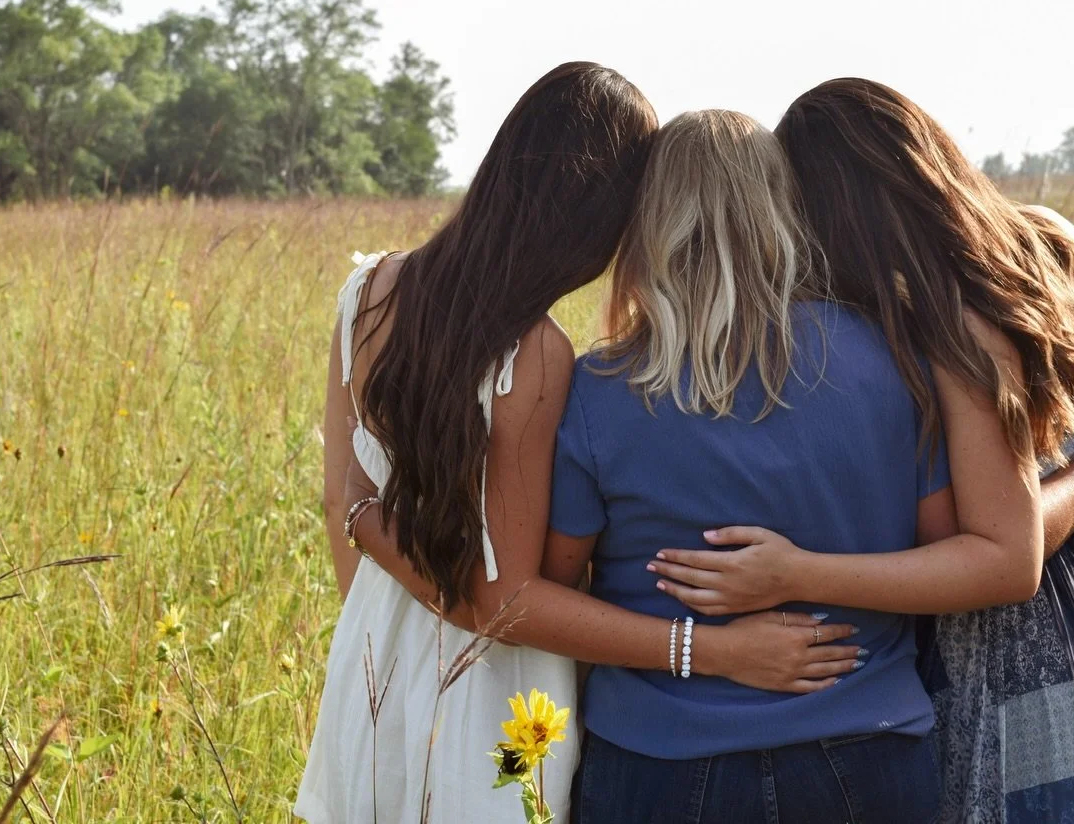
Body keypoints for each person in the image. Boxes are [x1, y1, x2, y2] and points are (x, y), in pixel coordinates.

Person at [297, 67, 857, 824]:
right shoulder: (532, 357)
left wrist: (374, 580)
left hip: (373, 651)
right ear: (594, 212)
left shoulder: (367, 294)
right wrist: (715, 651)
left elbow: (345, 500)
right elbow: (508, 599)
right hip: (499, 693)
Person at [653, 79, 1074, 823]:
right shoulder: (1055, 244)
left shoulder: (931, 319)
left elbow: (1003, 555)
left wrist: (793, 571)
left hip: (992, 661)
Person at [549, 108, 1008, 824]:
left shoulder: (597, 389)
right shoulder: (893, 358)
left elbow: (555, 591)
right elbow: (947, 557)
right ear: (782, 209)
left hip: (659, 762)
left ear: (649, 221)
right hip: (866, 755)